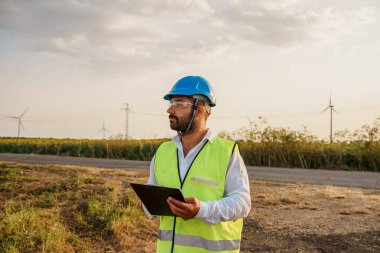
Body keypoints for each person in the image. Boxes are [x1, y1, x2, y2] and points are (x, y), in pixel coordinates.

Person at [145, 76, 251, 253]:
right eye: (171, 103)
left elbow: (242, 203)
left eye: (178, 103)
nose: (169, 109)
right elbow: (149, 196)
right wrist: (151, 203)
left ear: (200, 109)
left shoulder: (226, 152)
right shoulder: (163, 151)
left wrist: (202, 210)